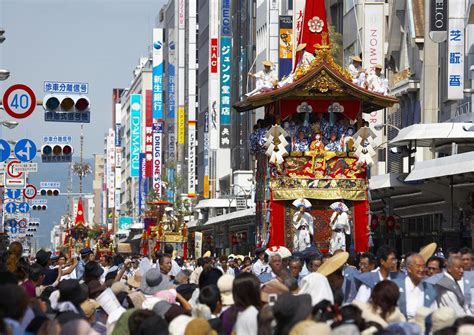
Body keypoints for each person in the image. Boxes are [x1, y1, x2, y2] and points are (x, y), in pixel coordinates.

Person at [392, 253, 437, 320]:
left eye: (423, 266)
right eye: (418, 266)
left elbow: (434, 312)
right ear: (409, 268)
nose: (421, 269)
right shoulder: (395, 285)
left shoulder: (430, 289)